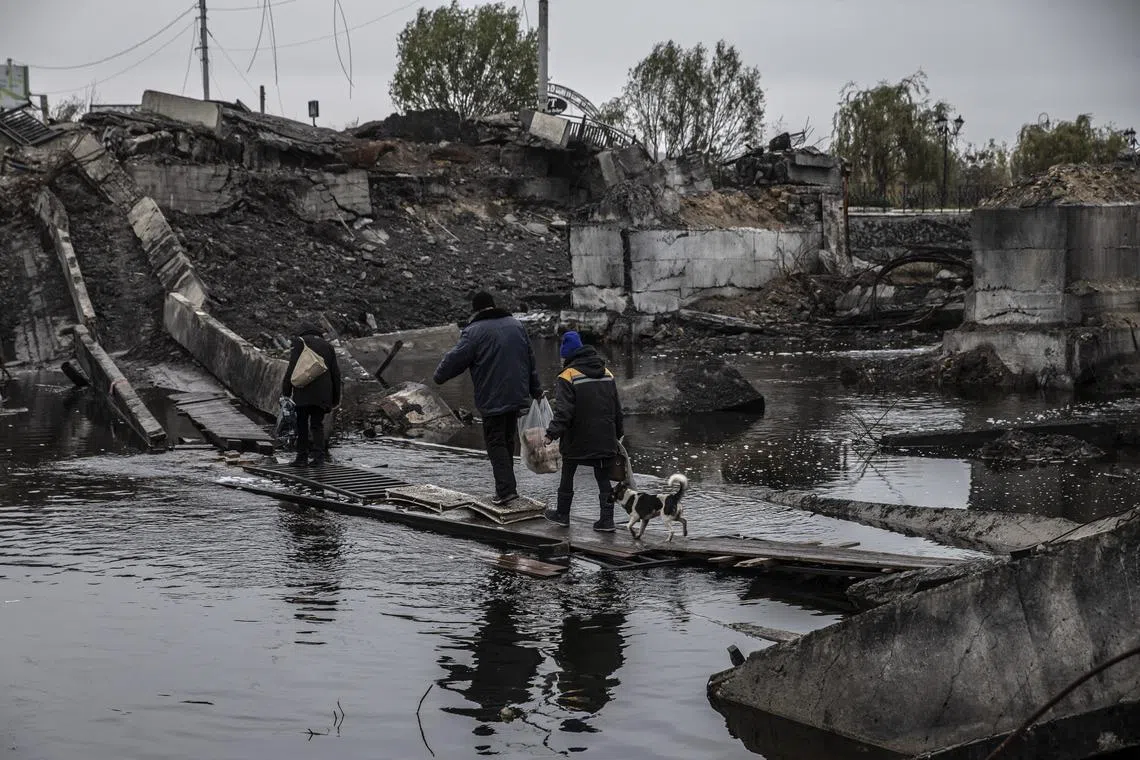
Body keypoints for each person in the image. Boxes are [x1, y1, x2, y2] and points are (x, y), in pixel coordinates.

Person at [434, 291, 542, 505]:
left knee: (495, 442)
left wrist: (438, 376)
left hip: (493, 398)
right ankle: (508, 487)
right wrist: (535, 390)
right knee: (507, 440)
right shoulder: (516, 325)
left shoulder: (473, 332)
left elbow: (455, 360)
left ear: (475, 310)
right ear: (493, 306)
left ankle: (506, 491)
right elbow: (530, 360)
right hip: (516, 395)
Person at [542, 331, 624, 532]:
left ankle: (562, 515)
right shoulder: (607, 373)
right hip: (605, 437)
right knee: (603, 478)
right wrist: (618, 434)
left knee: (568, 473)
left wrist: (551, 433)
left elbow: (564, 412)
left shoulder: (567, 376)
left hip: (577, 438)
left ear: (567, 354)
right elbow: (617, 408)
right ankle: (607, 521)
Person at [281, 321, 341, 467]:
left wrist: (286, 391)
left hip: (303, 392)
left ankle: (302, 457)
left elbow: (292, 367)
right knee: (317, 425)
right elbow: (335, 373)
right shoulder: (328, 346)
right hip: (323, 394)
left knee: (301, 424)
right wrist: (335, 398)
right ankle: (319, 458)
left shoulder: (299, 343)